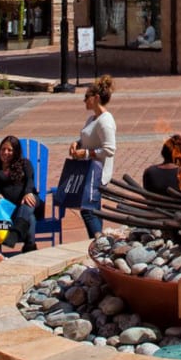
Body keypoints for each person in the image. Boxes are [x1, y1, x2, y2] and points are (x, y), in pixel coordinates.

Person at [70, 75, 116, 238]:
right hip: (87, 171)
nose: (84, 101)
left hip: (97, 173)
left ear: (96, 98)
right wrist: (78, 144)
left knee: (87, 209)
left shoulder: (105, 121)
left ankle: (99, 241)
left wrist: (88, 153)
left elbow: (109, 149)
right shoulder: (92, 118)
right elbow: (88, 139)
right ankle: (97, 242)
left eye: (86, 97)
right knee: (93, 209)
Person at [0, 135, 40, 254]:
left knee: (28, 203)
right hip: (9, 209)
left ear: (16, 152)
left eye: (10, 150)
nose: (5, 152)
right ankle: (30, 246)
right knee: (30, 218)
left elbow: (30, 182)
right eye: (3, 149)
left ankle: (15, 233)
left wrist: (27, 193)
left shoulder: (25, 164)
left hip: (30, 200)